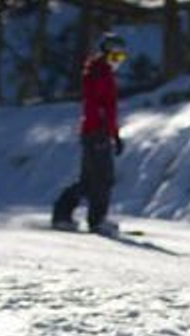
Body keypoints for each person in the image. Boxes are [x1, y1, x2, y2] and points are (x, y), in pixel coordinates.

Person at [52, 33, 126, 235]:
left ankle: (62, 214)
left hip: (98, 131)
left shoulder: (104, 72)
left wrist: (115, 134)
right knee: (103, 178)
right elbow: (95, 104)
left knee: (89, 181)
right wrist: (102, 129)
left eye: (121, 58)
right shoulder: (97, 72)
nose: (117, 62)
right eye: (115, 56)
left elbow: (108, 108)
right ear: (105, 53)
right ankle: (97, 220)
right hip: (96, 132)